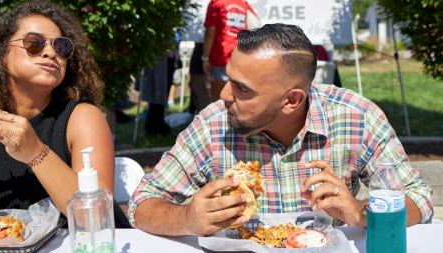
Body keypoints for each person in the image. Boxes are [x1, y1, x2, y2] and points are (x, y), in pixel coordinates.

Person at [129, 24, 433, 236]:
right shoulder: (214, 124)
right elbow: (143, 202)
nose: (223, 95)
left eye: (241, 89)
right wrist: (187, 218)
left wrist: (363, 214)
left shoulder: (357, 117)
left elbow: (418, 199)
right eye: (228, 78)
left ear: (291, 100)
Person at [0, 1, 129, 227]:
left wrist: (35, 152)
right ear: (2, 53)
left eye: (61, 47)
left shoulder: (83, 118)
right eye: (34, 43)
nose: (50, 52)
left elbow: (97, 217)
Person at [202, 0, 257, 101]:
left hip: (220, 56)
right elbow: (256, 27)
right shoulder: (243, 3)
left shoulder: (216, 3)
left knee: (219, 100)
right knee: (237, 98)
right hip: (241, 55)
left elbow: (210, 33)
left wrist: (205, 57)